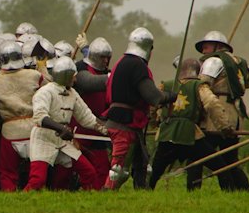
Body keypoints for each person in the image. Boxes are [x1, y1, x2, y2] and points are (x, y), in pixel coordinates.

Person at [149, 58, 243, 191]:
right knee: (221, 167)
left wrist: (155, 122)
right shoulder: (199, 85)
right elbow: (211, 103)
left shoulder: (166, 85)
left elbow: (153, 104)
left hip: (167, 135)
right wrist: (224, 127)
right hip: (190, 136)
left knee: (154, 173)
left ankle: (145, 190)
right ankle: (229, 192)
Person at [103, 27, 176, 190]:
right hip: (124, 125)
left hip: (128, 124)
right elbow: (153, 97)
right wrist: (171, 96)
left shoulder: (121, 62)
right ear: (148, 48)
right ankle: (104, 200)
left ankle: (141, 196)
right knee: (118, 172)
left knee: (143, 167)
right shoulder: (137, 65)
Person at [24, 57, 108, 191]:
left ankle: (91, 203)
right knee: (37, 180)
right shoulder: (45, 92)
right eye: (73, 77)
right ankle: (22, 204)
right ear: (66, 76)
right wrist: (61, 128)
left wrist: (108, 131)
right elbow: (40, 117)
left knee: (89, 172)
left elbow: (87, 118)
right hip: (43, 138)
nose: (75, 80)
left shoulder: (72, 93)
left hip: (62, 140)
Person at [187, 30, 249, 192]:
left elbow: (201, 86)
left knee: (198, 155)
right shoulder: (239, 61)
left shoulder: (214, 61)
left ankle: (193, 192)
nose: (204, 49)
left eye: (207, 45)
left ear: (218, 46)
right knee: (229, 158)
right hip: (235, 114)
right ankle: (240, 190)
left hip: (216, 115)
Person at [0, 41, 45, 191]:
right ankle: (33, 192)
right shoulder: (36, 76)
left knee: (7, 172)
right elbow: (47, 98)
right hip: (35, 128)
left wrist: (4, 118)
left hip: (10, 132)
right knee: (38, 168)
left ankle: (9, 196)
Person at [71, 37, 113, 188]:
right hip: (80, 130)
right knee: (73, 170)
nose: (106, 61)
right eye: (103, 57)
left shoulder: (106, 73)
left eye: (108, 58)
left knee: (102, 170)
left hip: (98, 129)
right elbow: (89, 83)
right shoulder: (81, 68)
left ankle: (96, 196)